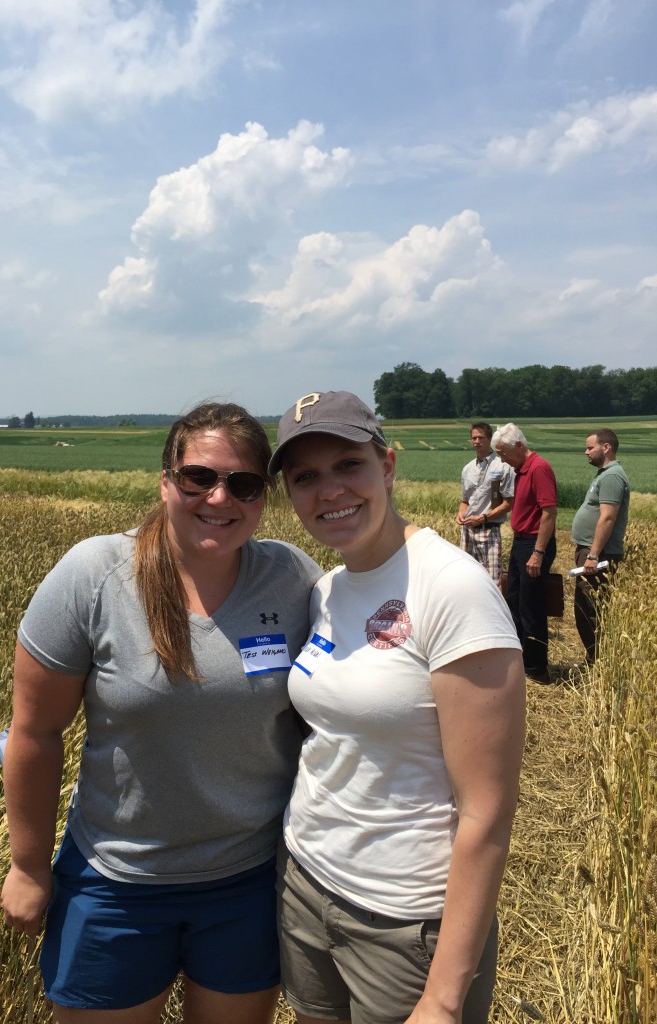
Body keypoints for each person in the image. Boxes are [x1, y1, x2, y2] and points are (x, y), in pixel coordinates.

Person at [1, 401, 322, 1024]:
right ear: (166, 481)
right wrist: (28, 865)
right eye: (199, 477)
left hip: (249, 879)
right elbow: (35, 732)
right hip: (115, 881)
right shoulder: (94, 575)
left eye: (244, 484)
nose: (219, 497)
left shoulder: (291, 579)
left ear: (263, 498)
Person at [268, 390, 526, 1024]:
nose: (328, 491)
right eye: (306, 477)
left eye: (348, 466)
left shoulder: (451, 589)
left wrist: (442, 997)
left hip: (406, 921)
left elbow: (488, 812)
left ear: (386, 467)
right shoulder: (327, 590)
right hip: (304, 885)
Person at [491, 423, 558, 684]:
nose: (501, 459)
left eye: (504, 452)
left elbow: (549, 512)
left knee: (532, 606)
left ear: (519, 445)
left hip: (533, 544)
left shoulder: (539, 468)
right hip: (521, 543)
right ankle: (520, 659)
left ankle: (537, 668)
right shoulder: (520, 469)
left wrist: (538, 552)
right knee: (514, 602)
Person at [570, 428, 630, 664]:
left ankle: (598, 662)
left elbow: (607, 518)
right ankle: (594, 659)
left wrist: (593, 554)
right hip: (592, 550)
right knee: (585, 609)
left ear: (606, 448)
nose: (586, 452)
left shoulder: (612, 477)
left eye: (590, 447)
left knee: (590, 611)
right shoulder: (605, 474)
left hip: (599, 553)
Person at [455, 422, 514, 585]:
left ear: (490, 440)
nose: (476, 441)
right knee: (467, 577)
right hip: (467, 531)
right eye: (473, 438)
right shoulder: (467, 469)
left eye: (481, 437)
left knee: (492, 581)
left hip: (489, 530)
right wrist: (461, 513)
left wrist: (483, 518)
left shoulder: (503, 466)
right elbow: (465, 501)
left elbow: (509, 503)